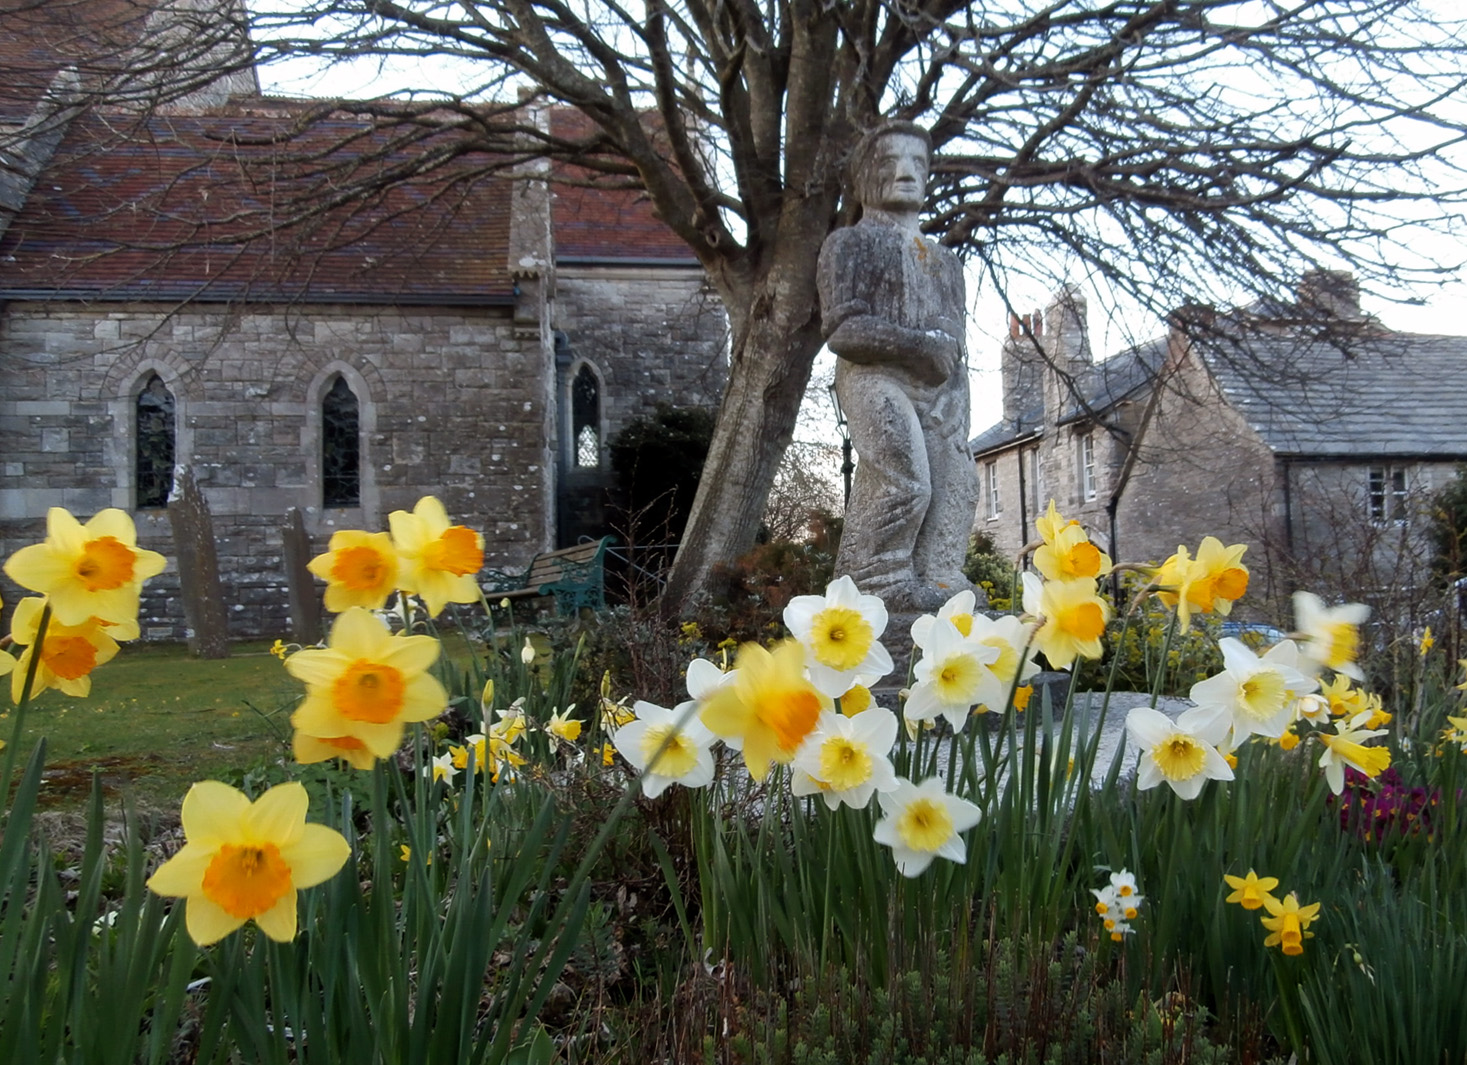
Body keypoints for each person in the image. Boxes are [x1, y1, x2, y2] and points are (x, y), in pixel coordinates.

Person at [817, 121, 980, 611]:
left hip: (940, 387)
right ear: (863, 177)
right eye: (889, 163)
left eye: (918, 163)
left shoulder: (945, 261)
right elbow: (844, 330)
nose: (906, 172)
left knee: (958, 481)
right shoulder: (849, 245)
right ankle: (877, 584)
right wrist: (915, 346)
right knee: (905, 477)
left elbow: (953, 341)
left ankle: (941, 581)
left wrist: (955, 399)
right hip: (874, 376)